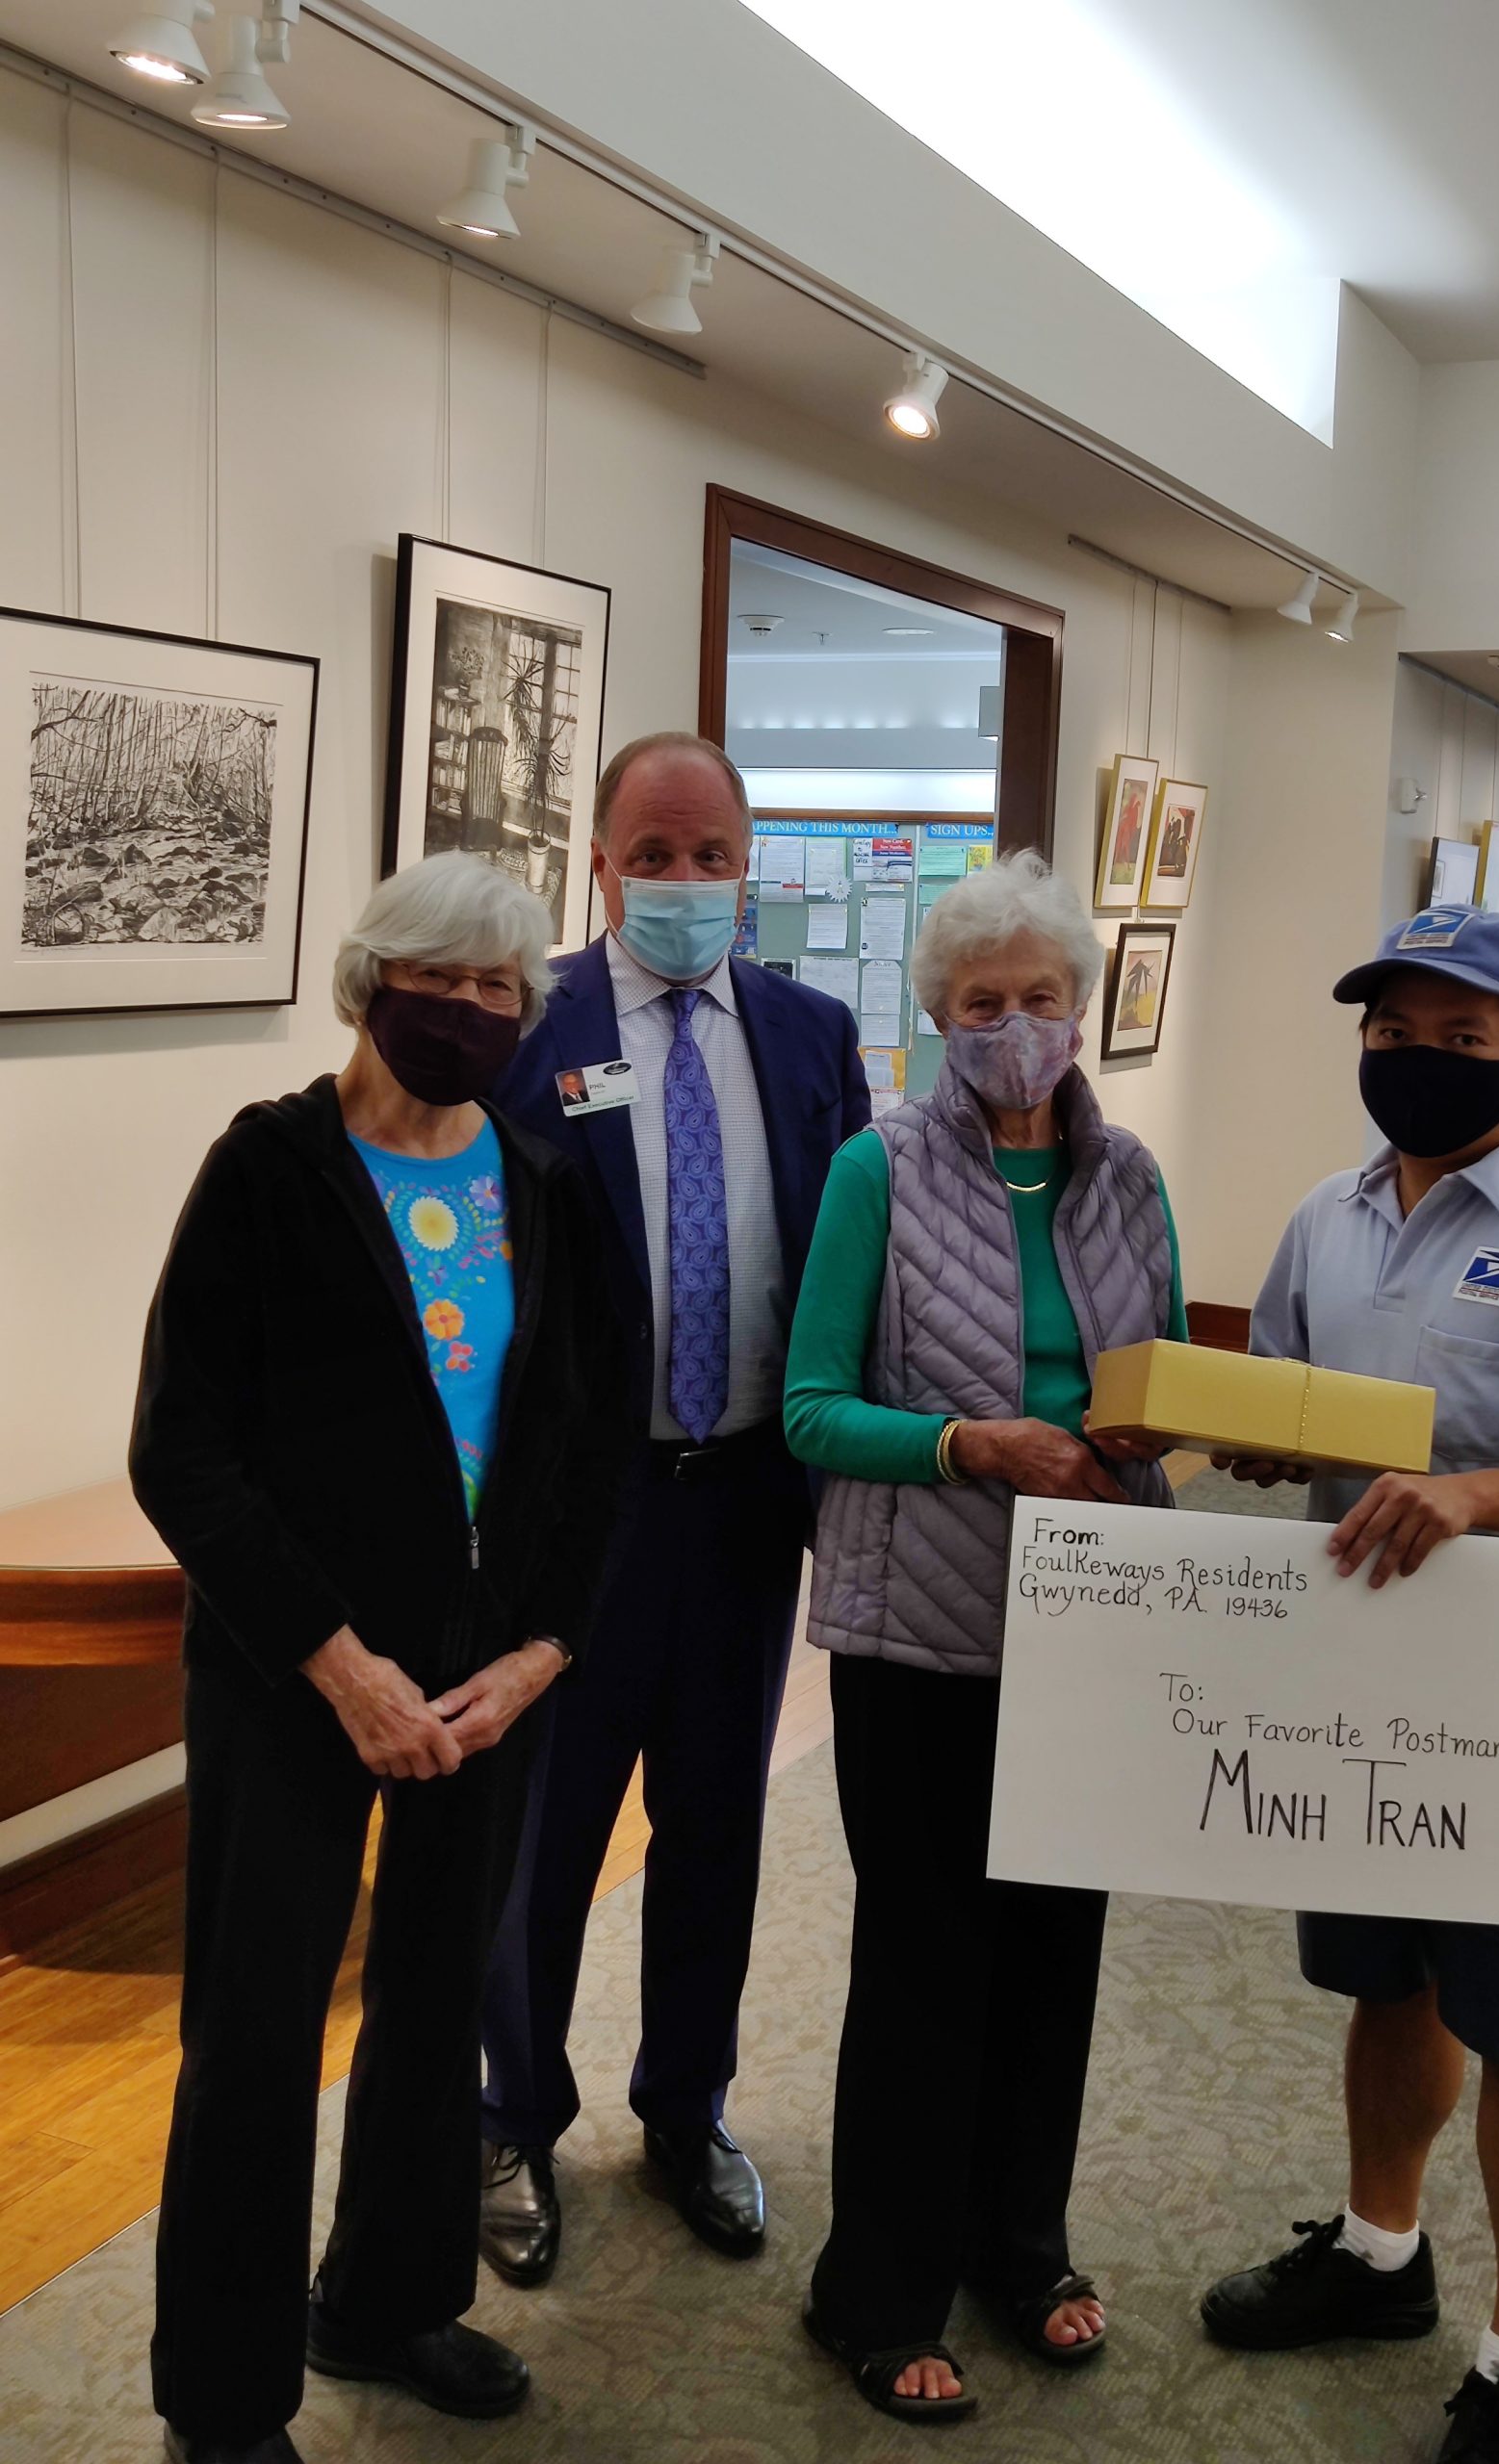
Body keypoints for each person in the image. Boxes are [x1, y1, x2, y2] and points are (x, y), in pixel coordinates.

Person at [130, 853, 625, 2464]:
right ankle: (225, 2396)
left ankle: (389, 2300)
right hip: (295, 1683)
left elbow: (592, 1450)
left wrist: (542, 1651)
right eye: (444, 978)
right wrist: (340, 1664)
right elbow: (181, 1454)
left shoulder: (547, 1189)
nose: (472, 1012)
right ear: (369, 980)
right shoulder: (268, 1170)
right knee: (257, 2034)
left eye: (504, 990)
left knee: (431, 2009)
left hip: (486, 1688)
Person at [1198, 907, 1499, 2464]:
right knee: (1387, 1984)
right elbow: (1285, 1405)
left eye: (1461, 1038)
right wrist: (1248, 1438)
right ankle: (1378, 2256)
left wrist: (1481, 1498)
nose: (1417, 1062)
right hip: (1349, 1674)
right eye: (1392, 1034)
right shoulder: (1323, 1219)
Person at [787, 851, 1187, 2424]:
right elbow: (815, 1410)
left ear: (1079, 1009)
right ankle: (875, 2292)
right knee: (925, 1961)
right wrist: (973, 1446)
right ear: (936, 1015)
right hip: (921, 1638)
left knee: (1053, 1955)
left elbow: (1149, 1385)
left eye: (1038, 999)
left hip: (1091, 1619)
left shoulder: (1130, 1175)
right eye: (980, 1003)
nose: (1013, 1026)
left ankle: (1021, 2247)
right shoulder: (874, 1171)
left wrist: (1170, 1447)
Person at [478, 732, 869, 2280]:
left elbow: (855, 1264)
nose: (687, 882)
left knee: (714, 1823)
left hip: (746, 1500)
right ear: (600, 859)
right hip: (584, 1516)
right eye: (658, 852)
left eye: (713, 855)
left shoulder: (813, 1033)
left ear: (749, 861)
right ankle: (514, 2114)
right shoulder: (529, 1029)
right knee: (550, 1835)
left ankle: (685, 2108)